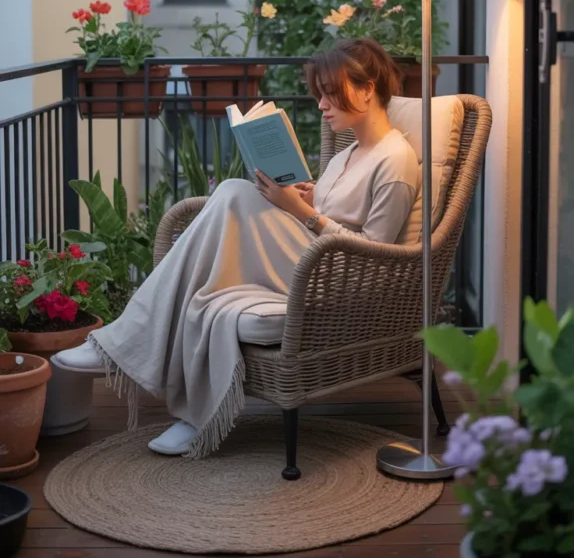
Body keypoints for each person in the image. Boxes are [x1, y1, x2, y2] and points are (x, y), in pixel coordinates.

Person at [54, 38, 419, 457]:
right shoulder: (349, 151)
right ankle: (188, 410)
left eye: (328, 92)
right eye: (318, 93)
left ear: (367, 88)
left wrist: (299, 211)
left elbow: (374, 255)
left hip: (336, 278)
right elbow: (341, 207)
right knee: (213, 273)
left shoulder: (396, 160)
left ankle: (120, 344)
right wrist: (309, 195)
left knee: (232, 192)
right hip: (306, 258)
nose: (320, 104)